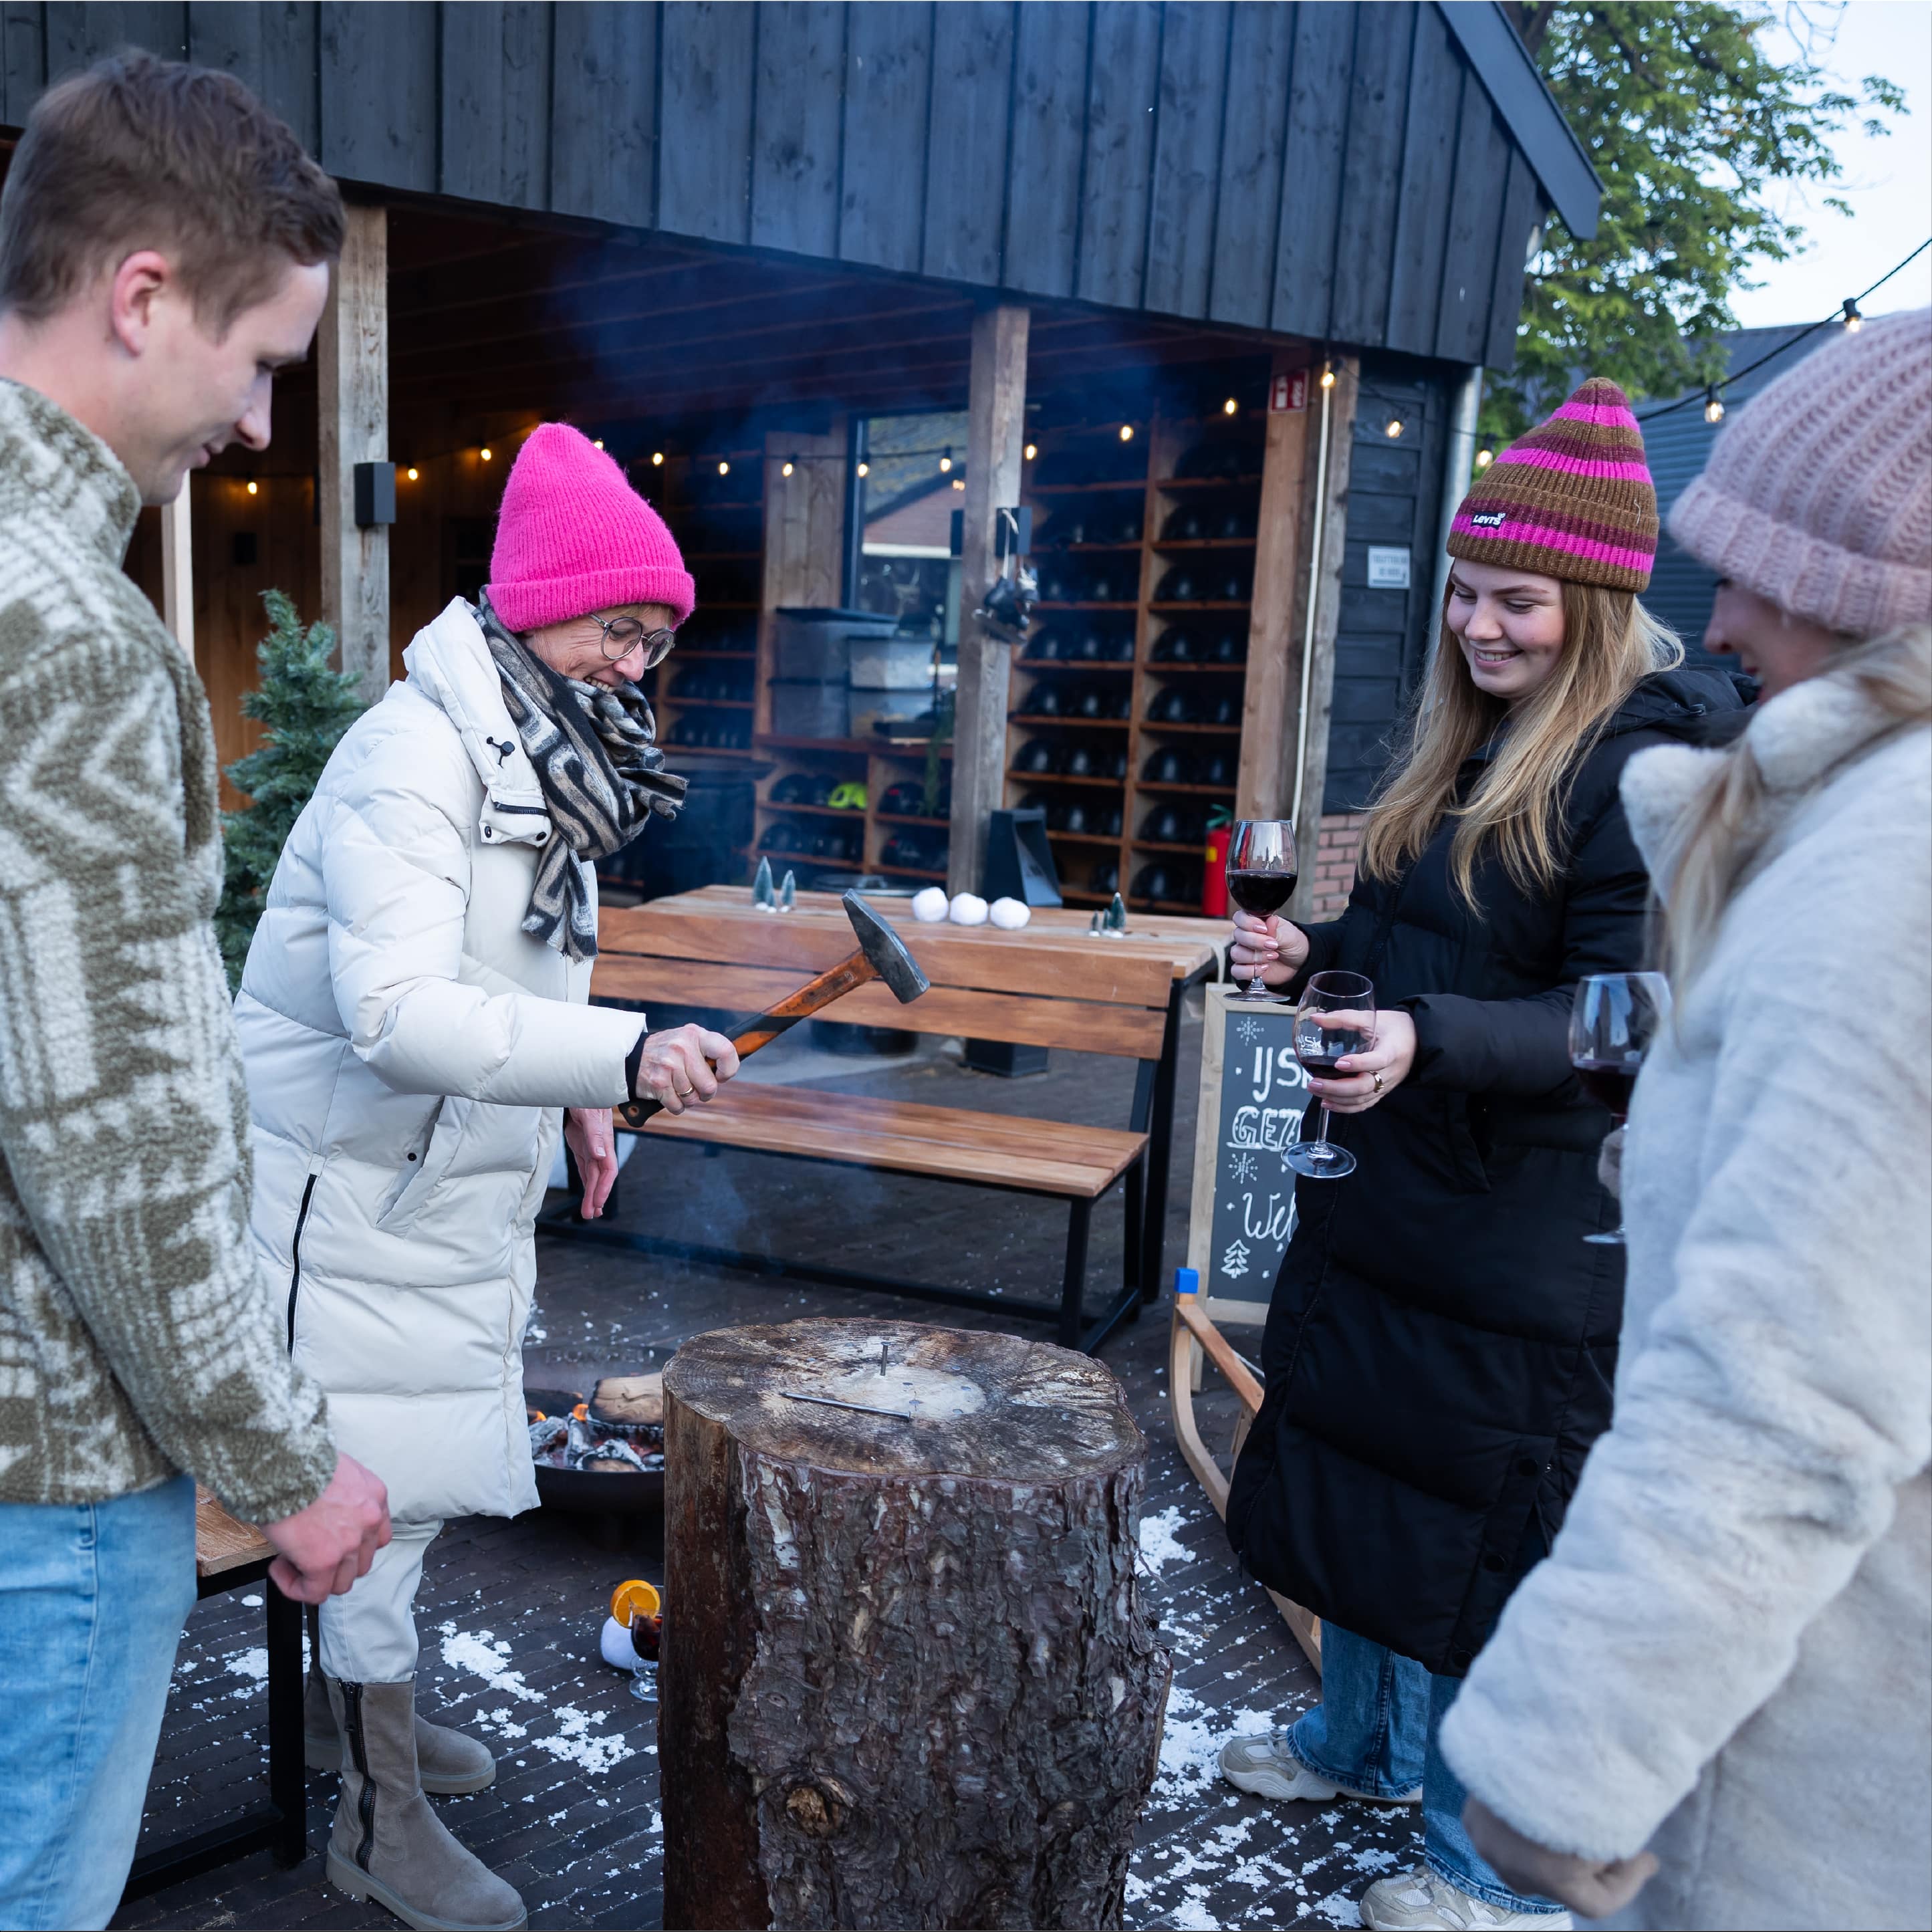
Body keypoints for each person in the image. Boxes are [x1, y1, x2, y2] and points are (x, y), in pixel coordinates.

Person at [1214, 378, 1743, 1931]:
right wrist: (1311, 952)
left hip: (1520, 1239)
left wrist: (1426, 1039)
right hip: (1395, 1200)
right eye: (1462, 591)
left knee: (1479, 1547)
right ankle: (1356, 1741)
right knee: (1356, 1488)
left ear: (1595, 603)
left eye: (1515, 599)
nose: (1476, 627)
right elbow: (1407, 942)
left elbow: (1632, 1012)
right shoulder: (1475, 734)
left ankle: (1481, 1869)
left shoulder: (1649, 763)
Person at [1444, 312, 1931, 1931]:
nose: (1712, 619)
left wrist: (1561, 1751)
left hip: (1812, 1783)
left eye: (1753, 570)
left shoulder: (1894, 869)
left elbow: (1785, 1384)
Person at [233, 420, 739, 1932]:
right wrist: (623, 1054)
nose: (634, 663)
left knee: (428, 1474)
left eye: (655, 637)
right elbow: (393, 1015)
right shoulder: (413, 750)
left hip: (444, 1181)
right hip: (344, 1184)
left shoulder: (545, 753)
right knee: (374, 1484)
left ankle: (344, 1718)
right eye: (615, 626)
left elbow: (516, 971)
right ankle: (375, 1820)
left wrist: (584, 1096)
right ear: (532, 608)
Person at [0, 53, 391, 1932]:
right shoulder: (69, 635)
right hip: (48, 1478)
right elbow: (111, 1135)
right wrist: (283, 1461)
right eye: (259, 362)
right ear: (139, 294)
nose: (254, 426)